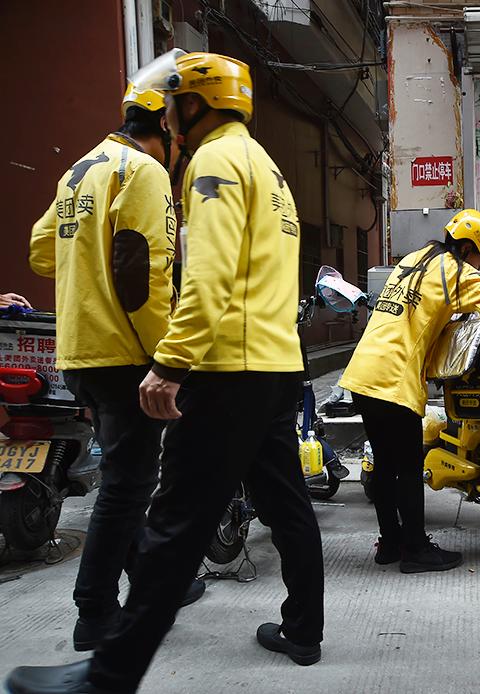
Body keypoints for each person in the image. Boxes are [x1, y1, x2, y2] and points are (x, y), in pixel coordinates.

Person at [7, 50, 324, 694]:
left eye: (176, 104)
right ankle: (302, 628)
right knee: (286, 504)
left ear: (195, 104)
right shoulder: (266, 166)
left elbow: (207, 278)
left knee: (172, 524)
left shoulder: (211, 163)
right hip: (276, 364)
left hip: (228, 370)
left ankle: (106, 677)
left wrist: (171, 362)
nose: (171, 119)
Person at [26, 83, 205, 655]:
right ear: (166, 131)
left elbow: (41, 251)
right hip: (125, 353)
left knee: (127, 479)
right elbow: (140, 274)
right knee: (127, 488)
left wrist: (86, 262)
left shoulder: (79, 170)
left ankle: (154, 582)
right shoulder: (143, 172)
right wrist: (167, 358)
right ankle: (96, 610)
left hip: (79, 352)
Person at [342, 209, 480, 573]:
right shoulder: (455, 271)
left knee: (385, 465)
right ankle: (416, 549)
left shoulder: (414, 259)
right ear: (467, 248)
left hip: (362, 371)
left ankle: (390, 544)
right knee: (407, 466)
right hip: (393, 378)